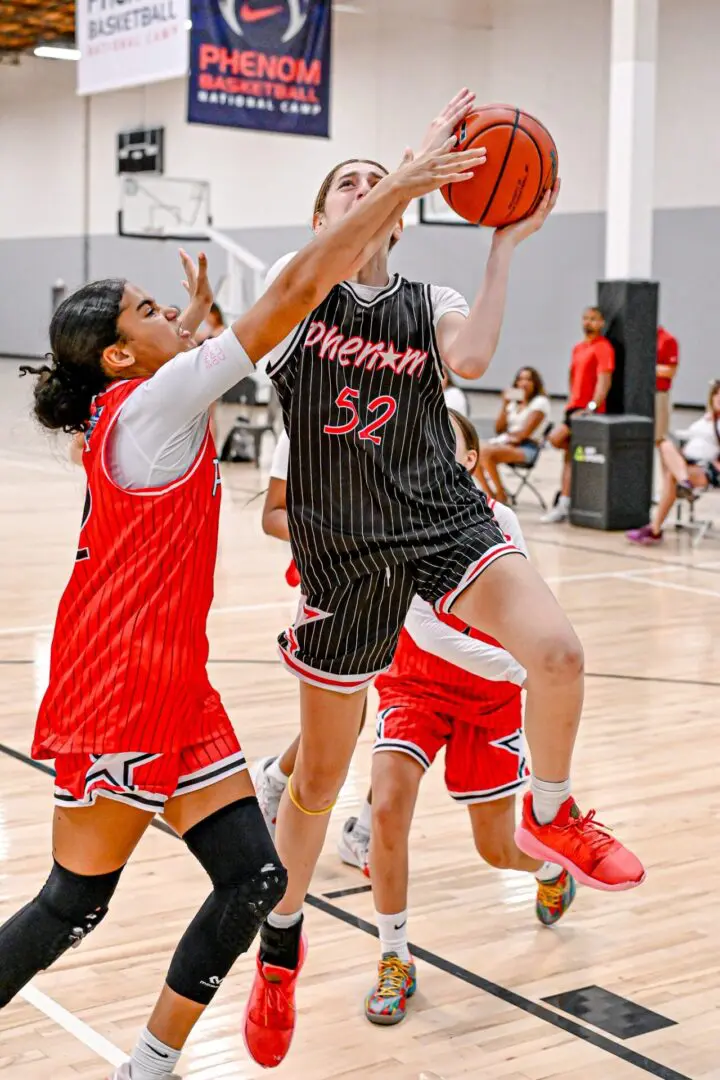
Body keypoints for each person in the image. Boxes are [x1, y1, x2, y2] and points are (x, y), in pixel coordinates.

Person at [0, 142, 477, 1080]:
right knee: (74, 902)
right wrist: (403, 186)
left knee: (256, 877)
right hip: (116, 685)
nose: (168, 315)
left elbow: (185, 362)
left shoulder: (137, 398)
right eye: (149, 311)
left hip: (174, 683)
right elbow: (296, 288)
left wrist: (192, 320)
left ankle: (151, 1062)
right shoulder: (153, 403)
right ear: (119, 354)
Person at [242, 91, 644, 1072]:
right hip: (348, 551)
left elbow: (468, 357)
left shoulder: (432, 306)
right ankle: (281, 942)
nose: (366, 191)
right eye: (348, 184)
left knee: (557, 651)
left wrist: (505, 242)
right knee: (321, 782)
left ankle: (550, 808)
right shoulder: (296, 299)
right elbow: (327, 260)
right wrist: (413, 165)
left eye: (376, 182)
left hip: (441, 519)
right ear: (321, 218)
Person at [365, 409, 576, 1026]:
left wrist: (524, 670)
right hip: (414, 689)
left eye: (442, 443)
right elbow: (425, 631)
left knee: (496, 850)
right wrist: (523, 670)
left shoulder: (501, 521)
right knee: (384, 808)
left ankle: (548, 866)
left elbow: (528, 609)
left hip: (489, 702)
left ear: (467, 459)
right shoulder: (394, 523)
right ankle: (394, 957)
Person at [256, 430, 374, 871]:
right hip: (336, 588)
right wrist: (333, 538)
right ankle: (276, 779)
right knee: (349, 720)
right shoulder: (303, 425)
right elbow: (272, 515)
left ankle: (365, 828)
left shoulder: (410, 412)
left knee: (398, 716)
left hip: (403, 580)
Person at [541, 307, 615, 523]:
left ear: (601, 323)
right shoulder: (578, 348)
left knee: (556, 439)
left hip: (587, 412)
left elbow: (604, 380)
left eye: (593, 319)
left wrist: (592, 406)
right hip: (573, 408)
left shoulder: (603, 347)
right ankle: (565, 501)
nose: (588, 322)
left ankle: (566, 500)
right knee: (570, 457)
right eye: (585, 318)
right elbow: (573, 378)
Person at [627, 378, 720, 545]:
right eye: (717, 395)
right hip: (687, 461)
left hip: (706, 468)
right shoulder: (705, 420)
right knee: (664, 443)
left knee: (671, 476)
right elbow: (688, 435)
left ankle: (655, 529)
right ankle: (683, 481)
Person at [475, 365, 550, 503]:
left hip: (527, 448)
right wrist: (504, 405)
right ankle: (489, 493)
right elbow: (499, 428)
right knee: (474, 451)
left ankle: (501, 495)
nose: (524, 383)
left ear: (535, 383)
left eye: (528, 380)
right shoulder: (514, 404)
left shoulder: (540, 403)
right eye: (520, 379)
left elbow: (523, 434)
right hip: (508, 444)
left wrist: (506, 438)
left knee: (485, 452)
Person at [655, 325, 679, 444]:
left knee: (659, 436)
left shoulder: (667, 339)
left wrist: (647, 368)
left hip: (658, 393)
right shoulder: (637, 338)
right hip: (639, 393)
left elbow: (670, 371)